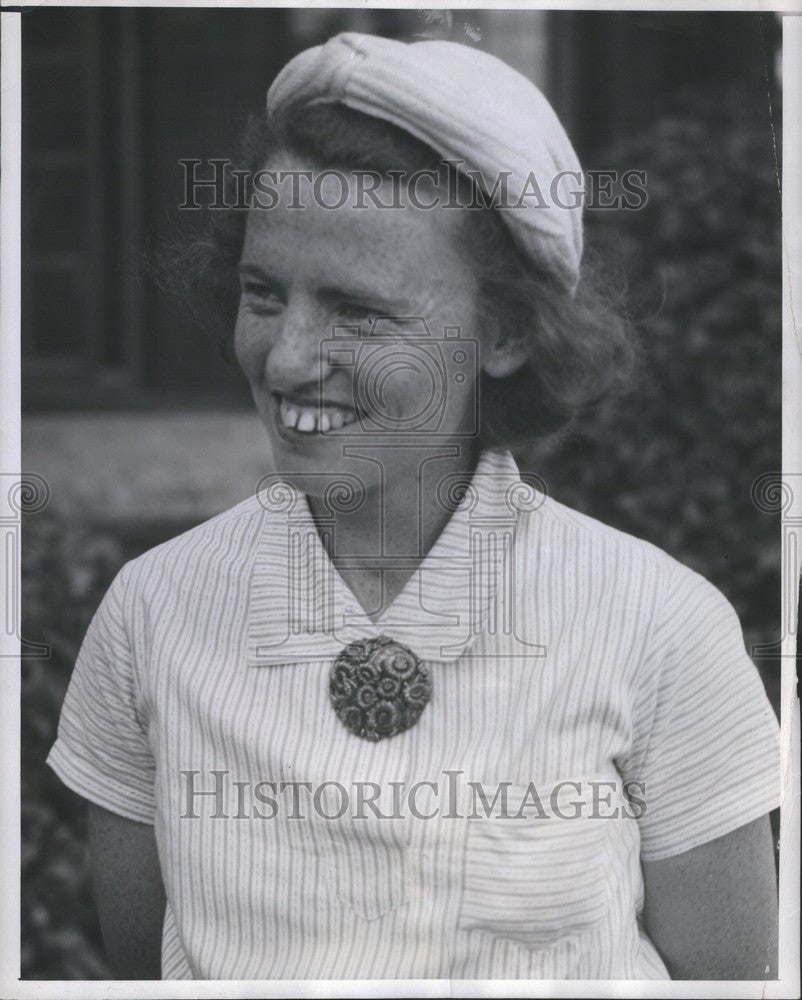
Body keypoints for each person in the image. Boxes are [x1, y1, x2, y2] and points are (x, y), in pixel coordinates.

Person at [47, 32, 780, 981]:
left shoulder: (661, 627)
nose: (286, 358)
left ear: (507, 332)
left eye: (358, 311)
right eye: (263, 293)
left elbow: (733, 978)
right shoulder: (152, 612)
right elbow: (144, 963)